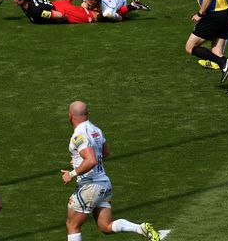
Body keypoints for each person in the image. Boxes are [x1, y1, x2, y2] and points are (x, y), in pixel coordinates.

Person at [61, 101, 161, 241]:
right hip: (104, 184)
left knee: (72, 225)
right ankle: (140, 228)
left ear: (70, 116)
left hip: (89, 186)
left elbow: (91, 160)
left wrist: (71, 174)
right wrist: (79, 162)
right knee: (105, 226)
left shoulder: (79, 135)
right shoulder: (96, 130)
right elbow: (105, 152)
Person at [65, 0, 150, 21]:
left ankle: (133, 6)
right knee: (84, 5)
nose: (88, 4)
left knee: (105, 16)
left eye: (91, 5)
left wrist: (123, 17)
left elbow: (120, 18)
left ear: (98, 4)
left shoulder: (107, 10)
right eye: (87, 1)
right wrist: (63, 4)